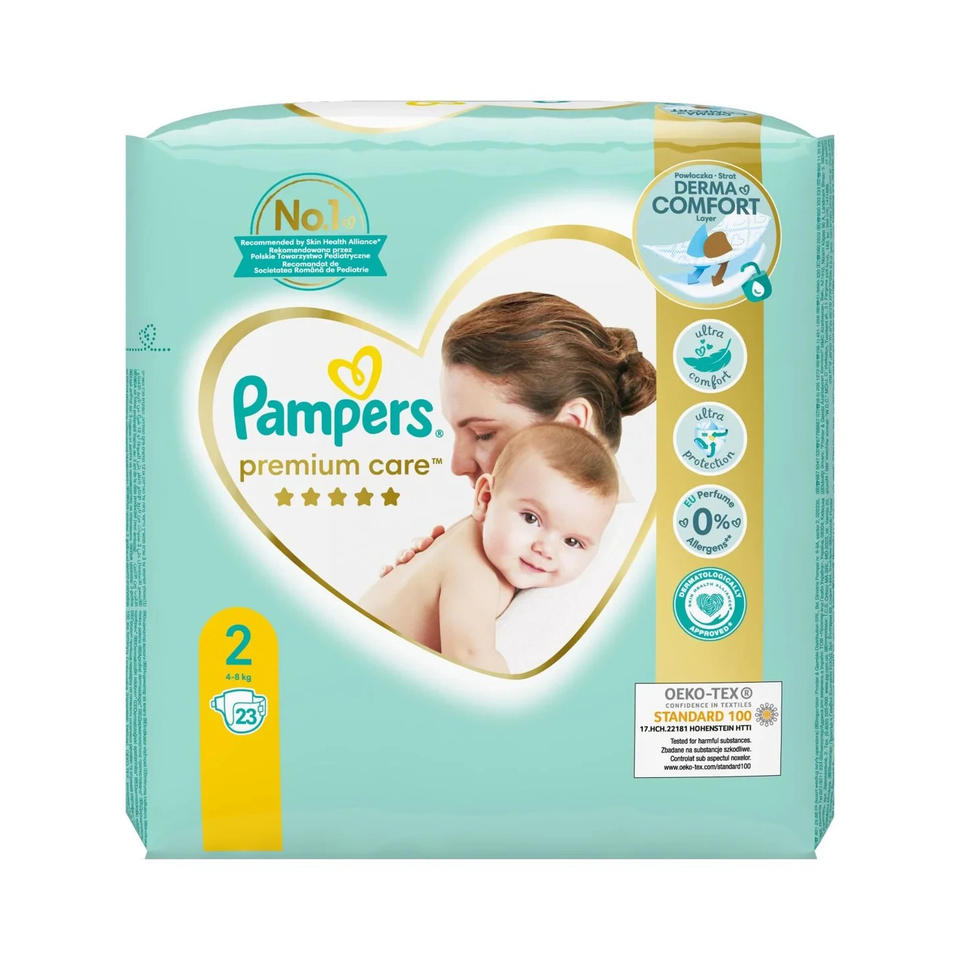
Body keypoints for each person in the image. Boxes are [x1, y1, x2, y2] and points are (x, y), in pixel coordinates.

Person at [379, 291, 656, 672]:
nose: (457, 465)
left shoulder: (619, 571)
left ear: (571, 424)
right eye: (531, 518)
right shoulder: (504, 555)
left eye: (483, 434)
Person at [360, 424, 618, 672]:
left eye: (572, 542)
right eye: (531, 518)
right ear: (485, 498)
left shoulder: (493, 548)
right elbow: (469, 659)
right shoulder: (473, 570)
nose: (546, 549)